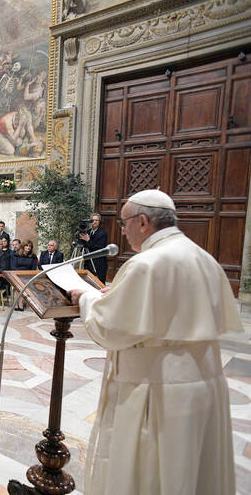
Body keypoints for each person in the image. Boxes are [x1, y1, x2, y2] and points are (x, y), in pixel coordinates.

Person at [68, 189, 241, 495]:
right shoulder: (203, 258)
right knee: (192, 472)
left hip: (157, 391)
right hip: (204, 384)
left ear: (143, 222)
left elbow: (110, 329)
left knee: (152, 474)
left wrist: (89, 297)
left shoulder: (146, 264)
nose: (122, 232)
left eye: (124, 224)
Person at [80, 213, 108, 283]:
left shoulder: (102, 233)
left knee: (99, 284)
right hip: (88, 263)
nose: (94, 222)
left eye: (96, 220)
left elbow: (99, 248)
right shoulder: (88, 232)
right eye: (93, 220)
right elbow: (84, 246)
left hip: (99, 264)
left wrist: (88, 240)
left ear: (99, 222)